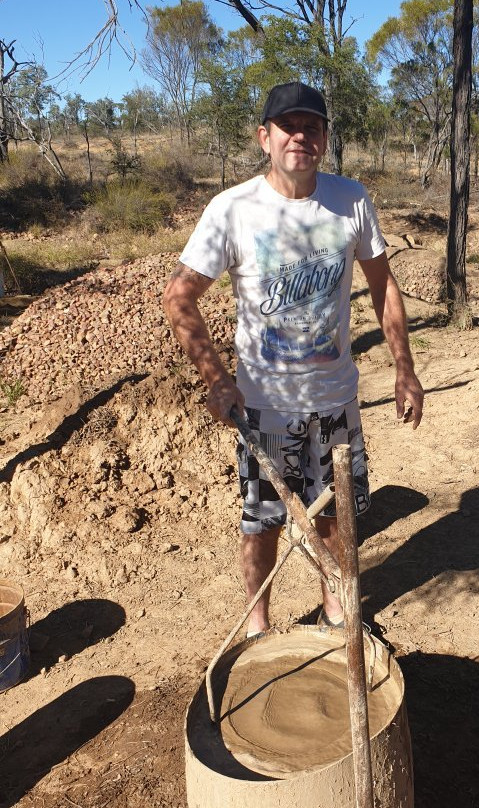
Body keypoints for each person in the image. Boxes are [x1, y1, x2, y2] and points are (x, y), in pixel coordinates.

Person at [163, 81, 424, 638]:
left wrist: (405, 369)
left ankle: (336, 614)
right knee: (263, 523)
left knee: (336, 516)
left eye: (312, 127)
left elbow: (383, 285)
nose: (300, 137)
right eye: (288, 127)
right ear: (265, 137)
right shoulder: (232, 209)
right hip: (264, 408)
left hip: (337, 401)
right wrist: (217, 379)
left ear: (325, 139)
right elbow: (179, 296)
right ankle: (257, 629)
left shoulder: (351, 199)